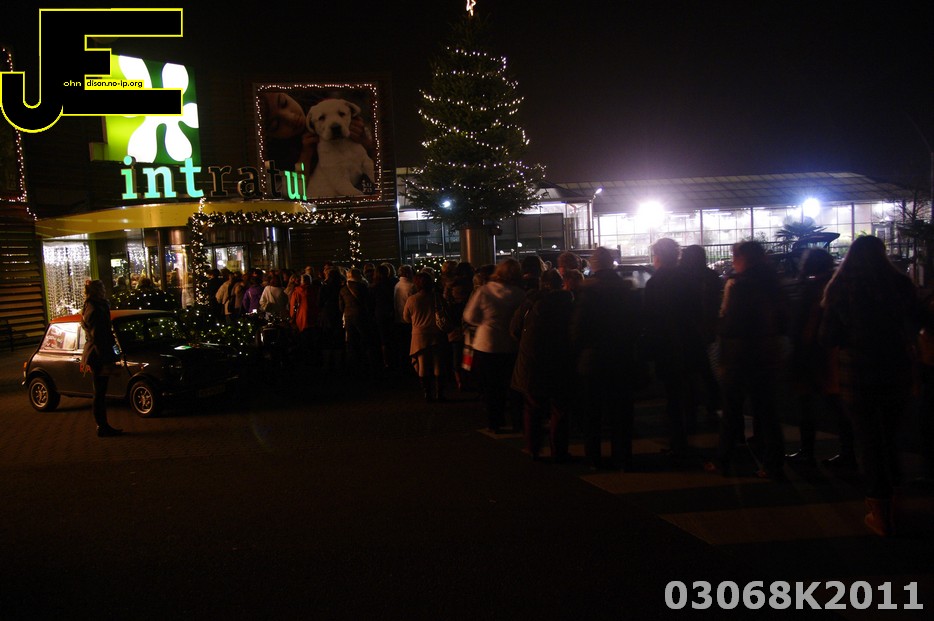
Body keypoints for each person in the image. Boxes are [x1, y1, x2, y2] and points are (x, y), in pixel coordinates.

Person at [820, 235, 922, 536]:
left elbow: (828, 337)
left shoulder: (841, 287)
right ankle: (896, 502)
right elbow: (920, 320)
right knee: (889, 437)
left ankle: (879, 510)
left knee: (869, 441)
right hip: (896, 369)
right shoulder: (900, 285)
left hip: (857, 372)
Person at [706, 241, 788, 480]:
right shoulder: (773, 282)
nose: (733, 261)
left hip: (739, 354)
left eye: (735, 257)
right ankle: (773, 463)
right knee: (767, 410)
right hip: (767, 351)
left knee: (732, 409)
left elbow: (730, 323)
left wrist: (719, 329)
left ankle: (723, 459)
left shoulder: (738, 285)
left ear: (744, 258)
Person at [571, 247, 641, 470]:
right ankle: (623, 457)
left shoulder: (588, 292)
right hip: (621, 356)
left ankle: (593, 458)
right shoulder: (626, 290)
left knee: (592, 412)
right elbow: (636, 325)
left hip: (593, 357)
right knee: (621, 412)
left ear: (594, 266)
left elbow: (578, 329)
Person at [785, 248, 854, 468]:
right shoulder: (834, 285)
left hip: (811, 352)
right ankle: (847, 452)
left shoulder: (810, 288)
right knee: (833, 403)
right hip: (827, 352)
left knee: (808, 404)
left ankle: (808, 451)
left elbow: (807, 322)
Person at [643, 238, 706, 459]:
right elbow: (697, 311)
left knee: (672, 394)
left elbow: (650, 318)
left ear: (658, 256)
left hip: (666, 345)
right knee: (687, 388)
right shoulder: (687, 279)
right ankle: (689, 430)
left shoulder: (655, 283)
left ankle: (677, 440)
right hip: (688, 341)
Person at [511, 269, 575, 462]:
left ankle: (533, 449)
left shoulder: (530, 303)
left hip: (532, 360)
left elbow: (514, 329)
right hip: (560, 359)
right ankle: (559, 451)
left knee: (533, 407)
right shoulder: (569, 303)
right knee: (559, 408)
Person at [463, 259, 526, 433]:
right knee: (512, 386)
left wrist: (485, 323)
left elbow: (469, 316)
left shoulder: (484, 291)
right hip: (511, 345)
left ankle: (495, 422)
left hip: (486, 344)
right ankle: (517, 421)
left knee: (491, 387)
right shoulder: (520, 294)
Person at [81, 280, 123, 437]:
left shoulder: (96, 306)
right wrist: (107, 356)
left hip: (100, 352)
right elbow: (99, 335)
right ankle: (102, 425)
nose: (105, 290)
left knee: (100, 391)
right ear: (97, 291)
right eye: (102, 288)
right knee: (99, 391)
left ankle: (103, 425)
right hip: (98, 354)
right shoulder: (94, 308)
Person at [403, 271, 447, 401]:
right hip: (437, 333)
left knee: (422, 364)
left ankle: (427, 394)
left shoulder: (412, 299)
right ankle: (439, 394)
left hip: (419, 335)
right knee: (438, 364)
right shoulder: (437, 297)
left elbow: (406, 318)